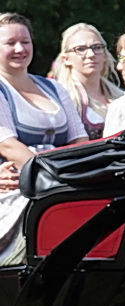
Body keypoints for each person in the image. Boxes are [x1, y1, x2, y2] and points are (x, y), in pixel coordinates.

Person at [0, 14, 89, 264]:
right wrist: (53, 177)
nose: (20, 49)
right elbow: (9, 146)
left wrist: (81, 174)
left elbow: (79, 140)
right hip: (18, 186)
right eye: (10, 43)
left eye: (25, 41)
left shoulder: (54, 88)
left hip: (63, 179)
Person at [49, 23, 123, 137]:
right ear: (66, 59)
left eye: (97, 47)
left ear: (105, 55)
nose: (91, 54)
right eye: (80, 49)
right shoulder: (62, 99)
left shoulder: (121, 97)